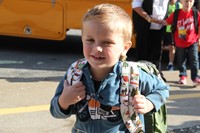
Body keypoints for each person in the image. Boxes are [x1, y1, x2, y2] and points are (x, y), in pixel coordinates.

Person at [50, 3, 169, 133]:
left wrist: (149, 103)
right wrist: (64, 101)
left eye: (107, 42)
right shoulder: (75, 73)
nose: (97, 48)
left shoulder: (133, 75)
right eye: (90, 40)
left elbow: (162, 89)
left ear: (125, 48)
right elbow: (56, 112)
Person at [156, 0, 200, 86]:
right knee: (181, 60)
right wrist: (157, 21)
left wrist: (199, 38)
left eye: (190, 1)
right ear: (181, 2)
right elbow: (167, 21)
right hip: (179, 42)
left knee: (194, 59)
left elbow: (199, 25)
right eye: (186, 1)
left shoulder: (195, 13)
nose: (188, 4)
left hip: (192, 41)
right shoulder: (176, 13)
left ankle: (195, 77)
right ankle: (183, 75)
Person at [132, 0, 169, 82]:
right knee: (143, 51)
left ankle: (156, 75)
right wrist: (149, 18)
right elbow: (136, 6)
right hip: (145, 25)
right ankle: (140, 76)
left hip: (160, 25)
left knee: (157, 52)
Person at [163, 0, 182, 71]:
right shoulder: (165, 5)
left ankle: (170, 64)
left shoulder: (179, 6)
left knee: (172, 47)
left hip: (174, 30)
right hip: (164, 28)